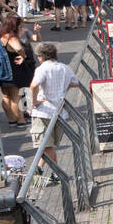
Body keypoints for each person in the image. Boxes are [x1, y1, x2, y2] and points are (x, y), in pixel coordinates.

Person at [28, 42, 81, 177]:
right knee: (49, 145)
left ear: (40, 57)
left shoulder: (42, 69)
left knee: (45, 144)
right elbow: (75, 83)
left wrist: (34, 102)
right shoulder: (64, 68)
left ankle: (44, 170)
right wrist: (63, 89)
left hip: (43, 110)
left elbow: (34, 86)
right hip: (59, 111)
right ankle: (54, 174)